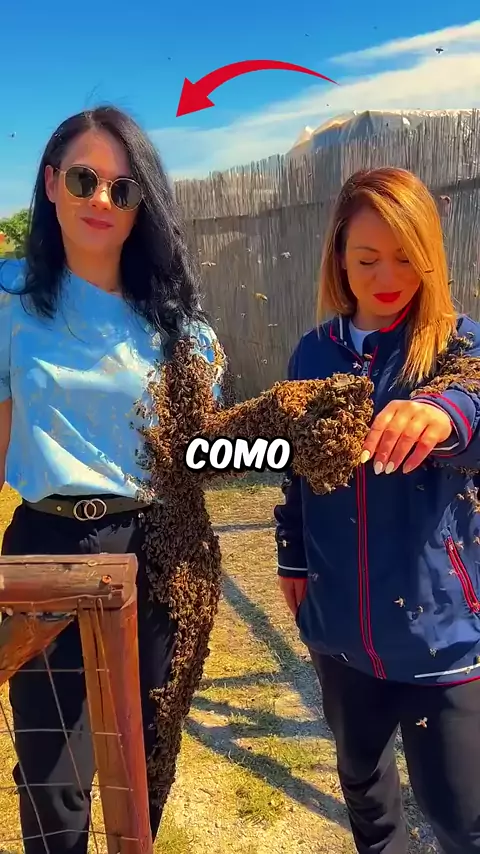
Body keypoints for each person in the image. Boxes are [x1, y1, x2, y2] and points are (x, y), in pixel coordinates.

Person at [0, 105, 224, 854]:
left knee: (143, 761)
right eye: (84, 179)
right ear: (50, 184)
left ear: (141, 206)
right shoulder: (9, 302)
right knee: (51, 778)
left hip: (155, 548)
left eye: (122, 190)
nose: (101, 199)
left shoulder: (178, 325)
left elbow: (201, 452)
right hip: (46, 548)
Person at [275, 167, 480, 853]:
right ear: (339, 256)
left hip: (441, 635)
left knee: (461, 817)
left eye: (405, 257)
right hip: (339, 630)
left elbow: (476, 402)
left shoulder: (457, 346)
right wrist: (293, 557)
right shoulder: (313, 354)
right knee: (365, 792)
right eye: (367, 259)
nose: (387, 276)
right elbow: (295, 471)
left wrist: (444, 412)